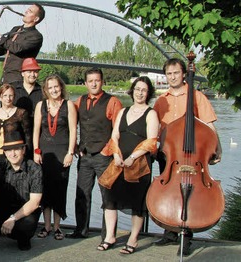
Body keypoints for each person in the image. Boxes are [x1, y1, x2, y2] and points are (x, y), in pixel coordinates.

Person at [152, 58, 221, 256]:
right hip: (169, 153)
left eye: (176, 73)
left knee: (192, 192)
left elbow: (208, 124)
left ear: (184, 74)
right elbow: (156, 126)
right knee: (168, 191)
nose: (172, 77)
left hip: (191, 152)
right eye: (169, 74)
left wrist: (218, 148)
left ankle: (186, 236)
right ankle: (170, 233)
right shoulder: (161, 99)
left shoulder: (197, 96)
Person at [97, 76, 159, 254]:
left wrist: (133, 157)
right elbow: (115, 135)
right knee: (109, 199)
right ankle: (110, 236)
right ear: (132, 91)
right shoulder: (123, 112)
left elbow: (151, 141)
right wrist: (116, 154)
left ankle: (133, 239)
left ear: (148, 93)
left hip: (139, 164)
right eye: (137, 89)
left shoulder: (151, 114)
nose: (140, 93)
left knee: (136, 203)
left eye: (144, 90)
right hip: (118, 162)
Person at [67, 68, 123, 239]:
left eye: (97, 80)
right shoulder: (79, 101)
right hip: (85, 156)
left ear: (102, 82)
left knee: (108, 196)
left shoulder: (112, 101)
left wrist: (108, 150)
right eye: (90, 81)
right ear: (85, 83)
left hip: (104, 156)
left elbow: (118, 130)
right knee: (82, 194)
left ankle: (108, 234)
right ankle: (81, 230)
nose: (93, 83)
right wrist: (74, 146)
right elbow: (69, 121)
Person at [33, 75, 77, 240]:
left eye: (56, 87)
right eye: (50, 87)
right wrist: (36, 151)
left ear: (61, 87)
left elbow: (73, 130)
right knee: (45, 189)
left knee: (60, 189)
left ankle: (57, 227)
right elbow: (36, 130)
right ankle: (46, 226)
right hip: (45, 153)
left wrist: (70, 152)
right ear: (46, 89)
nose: (53, 90)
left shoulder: (69, 105)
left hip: (62, 152)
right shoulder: (40, 106)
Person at [0, 131, 42, 250]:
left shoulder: (35, 169)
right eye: (9, 150)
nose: (12, 154)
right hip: (3, 209)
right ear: (4, 152)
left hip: (23, 213)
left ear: (23, 150)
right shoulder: (0, 165)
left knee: (27, 225)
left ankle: (22, 238)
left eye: (16, 149)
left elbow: (34, 203)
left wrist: (13, 219)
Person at [0, 4, 45, 86]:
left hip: (19, 79)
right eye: (27, 9)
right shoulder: (16, 29)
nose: (26, 11)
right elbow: (5, 48)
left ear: (36, 18)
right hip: (6, 77)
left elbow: (17, 48)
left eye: (30, 11)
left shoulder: (36, 36)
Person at [0, 84, 30, 180]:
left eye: (11, 95)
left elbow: (28, 136)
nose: (8, 98)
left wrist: (26, 155)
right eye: (5, 95)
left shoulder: (21, 113)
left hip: (14, 156)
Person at [15, 58, 43, 157]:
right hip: (17, 138)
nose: (32, 74)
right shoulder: (13, 90)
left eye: (35, 71)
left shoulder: (43, 92)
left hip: (38, 139)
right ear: (22, 73)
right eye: (29, 71)